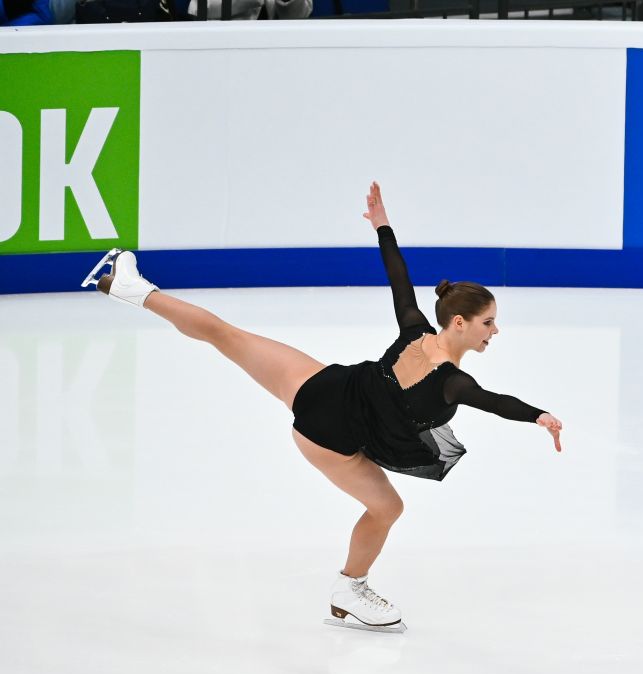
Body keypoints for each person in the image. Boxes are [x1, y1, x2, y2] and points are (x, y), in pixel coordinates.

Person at [83, 182, 563, 633]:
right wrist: (539, 415)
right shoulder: (454, 382)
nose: (494, 331)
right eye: (488, 323)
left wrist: (382, 225)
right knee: (388, 507)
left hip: (323, 385)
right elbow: (495, 402)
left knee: (226, 336)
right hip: (329, 434)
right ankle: (349, 587)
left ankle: (135, 291)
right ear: (459, 323)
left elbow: (398, 276)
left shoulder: (414, 327)